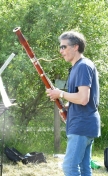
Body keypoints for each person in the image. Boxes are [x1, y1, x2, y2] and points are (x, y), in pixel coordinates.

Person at [46, 31, 100, 176]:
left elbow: (83, 98)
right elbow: (85, 99)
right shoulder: (79, 66)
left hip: (82, 124)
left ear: (75, 46)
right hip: (86, 123)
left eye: (64, 47)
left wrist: (60, 94)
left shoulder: (82, 66)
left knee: (69, 167)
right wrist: (68, 106)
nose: (60, 50)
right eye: (60, 47)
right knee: (84, 168)